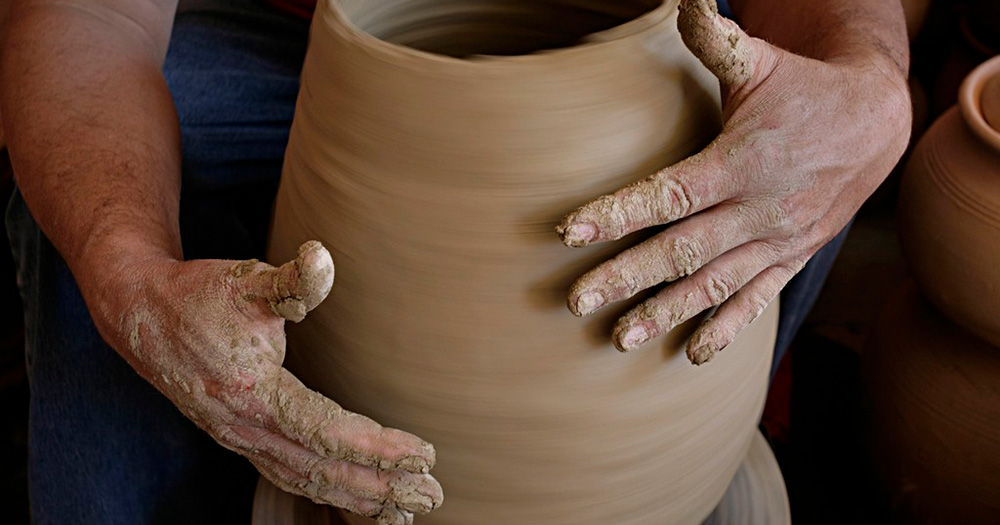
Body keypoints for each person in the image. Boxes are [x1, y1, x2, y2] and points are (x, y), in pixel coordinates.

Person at [0, 0, 911, 523]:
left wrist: (868, 84)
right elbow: (92, 17)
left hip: (649, 61)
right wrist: (128, 272)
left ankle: (673, 463)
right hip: (322, 66)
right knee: (85, 200)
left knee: (804, 147)